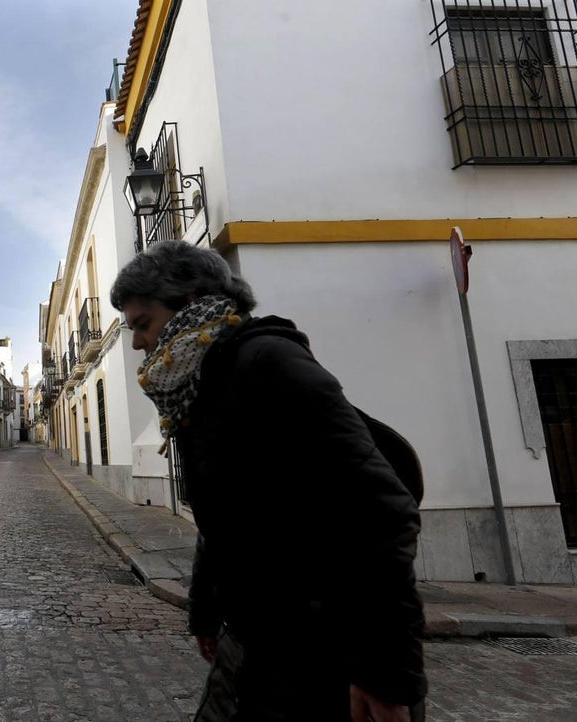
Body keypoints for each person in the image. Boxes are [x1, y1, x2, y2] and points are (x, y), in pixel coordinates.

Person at [110, 241, 427, 721]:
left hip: (322, 651)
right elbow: (227, 513)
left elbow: (382, 509)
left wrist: (384, 674)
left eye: (142, 323)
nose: (137, 343)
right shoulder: (199, 385)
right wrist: (205, 608)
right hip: (252, 640)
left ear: (191, 305)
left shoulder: (267, 363)